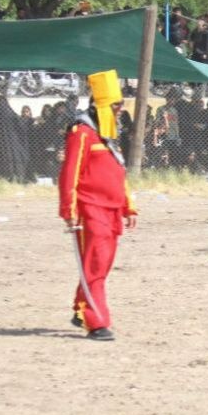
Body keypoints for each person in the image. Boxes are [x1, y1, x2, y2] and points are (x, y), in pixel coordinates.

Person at [58, 69, 137, 340]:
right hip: (90, 209)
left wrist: (128, 206)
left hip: (112, 209)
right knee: (96, 263)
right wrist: (69, 210)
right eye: (116, 105)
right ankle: (96, 321)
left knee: (100, 265)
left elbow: (118, 172)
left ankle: (82, 308)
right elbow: (70, 173)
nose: (119, 111)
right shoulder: (81, 133)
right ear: (102, 105)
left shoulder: (107, 137)